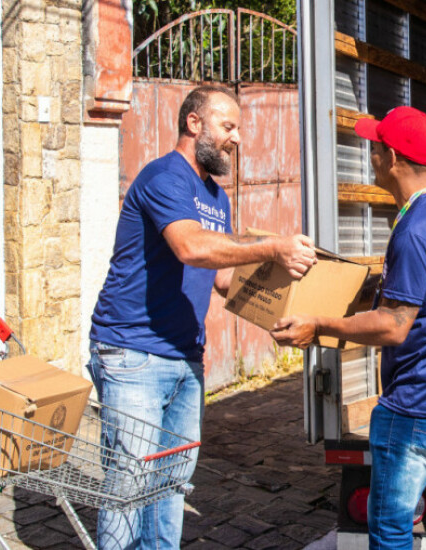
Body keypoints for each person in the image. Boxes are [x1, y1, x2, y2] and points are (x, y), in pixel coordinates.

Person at [87, 85, 317, 549]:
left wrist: (282, 312)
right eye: (228, 126)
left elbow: (223, 280)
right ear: (195, 124)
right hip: (133, 353)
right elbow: (190, 247)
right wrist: (273, 245)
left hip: (184, 356)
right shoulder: (164, 178)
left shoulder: (215, 196)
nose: (237, 138)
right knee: (129, 484)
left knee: (171, 484)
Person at [270, 106, 426, 549]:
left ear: (392, 158)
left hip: (421, 402)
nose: (370, 155)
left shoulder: (415, 230)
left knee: (391, 525)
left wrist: (316, 325)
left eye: (375, 147)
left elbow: (394, 326)